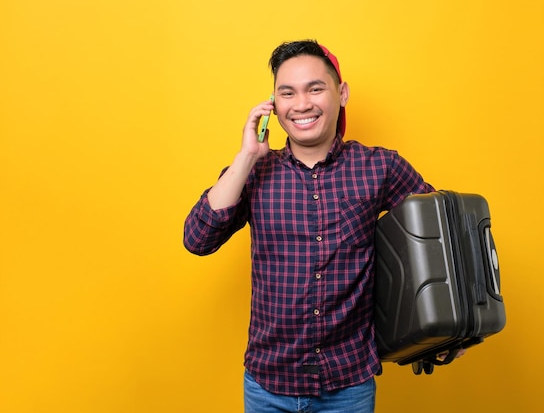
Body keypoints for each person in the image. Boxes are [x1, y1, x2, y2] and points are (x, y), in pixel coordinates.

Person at [183, 39, 435, 413]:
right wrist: (246, 156)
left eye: (315, 88)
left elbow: (439, 239)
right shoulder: (252, 173)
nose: (301, 104)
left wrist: (446, 330)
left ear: (341, 93)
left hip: (348, 385)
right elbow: (197, 239)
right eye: (287, 93)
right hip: (268, 385)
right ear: (273, 105)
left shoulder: (380, 168)